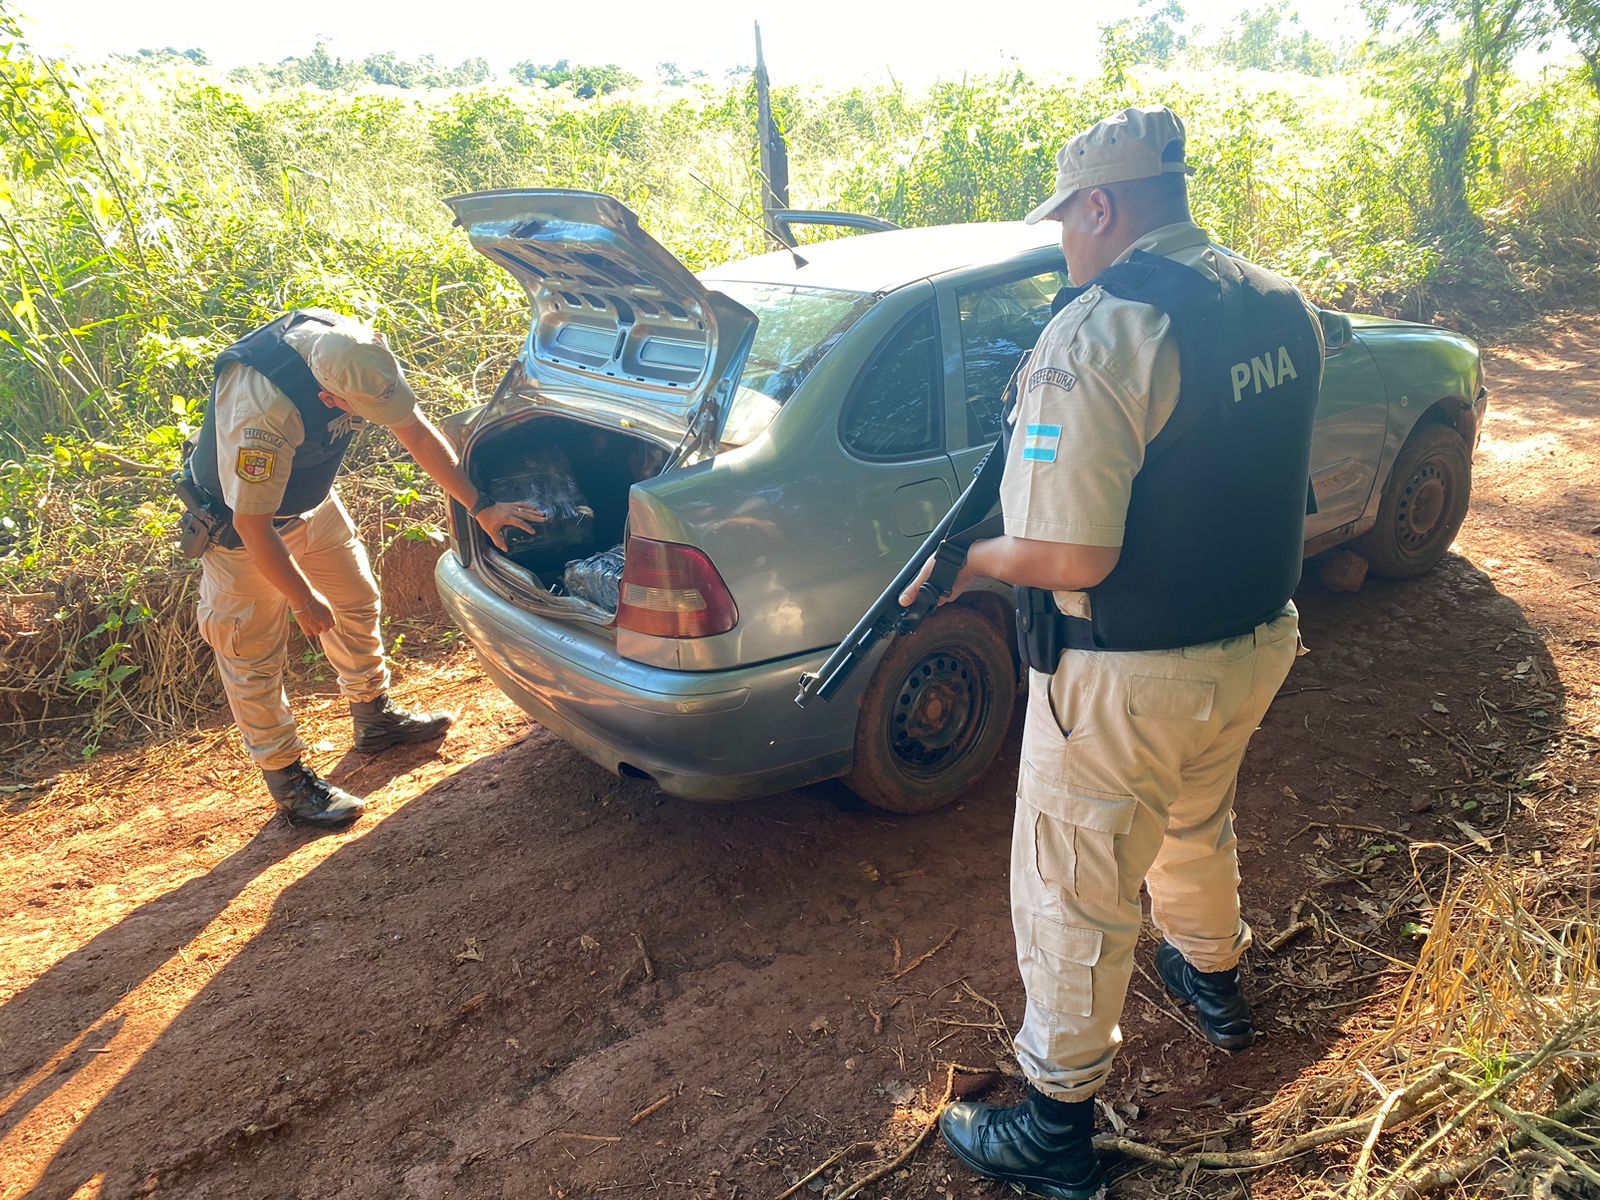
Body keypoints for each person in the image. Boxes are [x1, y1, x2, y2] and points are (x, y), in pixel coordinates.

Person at [901, 106, 1324, 1198]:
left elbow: (1071, 550)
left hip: (1128, 670)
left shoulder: (1101, 331)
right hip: (1255, 639)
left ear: (1102, 205)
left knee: (1072, 887)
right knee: (1194, 816)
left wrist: (974, 565)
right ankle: (1216, 979)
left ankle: (1052, 1128)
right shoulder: (1278, 301)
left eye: (1068, 224)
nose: (1065, 247)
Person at [184, 309, 544, 829]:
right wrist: (303, 601)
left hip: (311, 503)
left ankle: (374, 717)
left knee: (356, 599)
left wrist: (480, 505)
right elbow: (252, 525)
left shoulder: (355, 353)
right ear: (329, 399)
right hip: (243, 532)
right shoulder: (262, 410)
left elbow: (415, 432)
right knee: (251, 652)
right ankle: (287, 779)